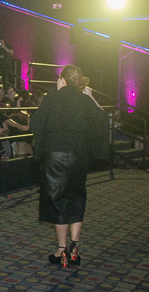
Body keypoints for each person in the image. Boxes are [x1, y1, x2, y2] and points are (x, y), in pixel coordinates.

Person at [30, 65, 109, 268]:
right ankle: (74, 248)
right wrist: (90, 97)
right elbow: (102, 119)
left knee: (57, 199)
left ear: (63, 80)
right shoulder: (84, 100)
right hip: (78, 155)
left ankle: (61, 250)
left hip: (55, 155)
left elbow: (36, 124)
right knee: (76, 196)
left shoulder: (51, 98)